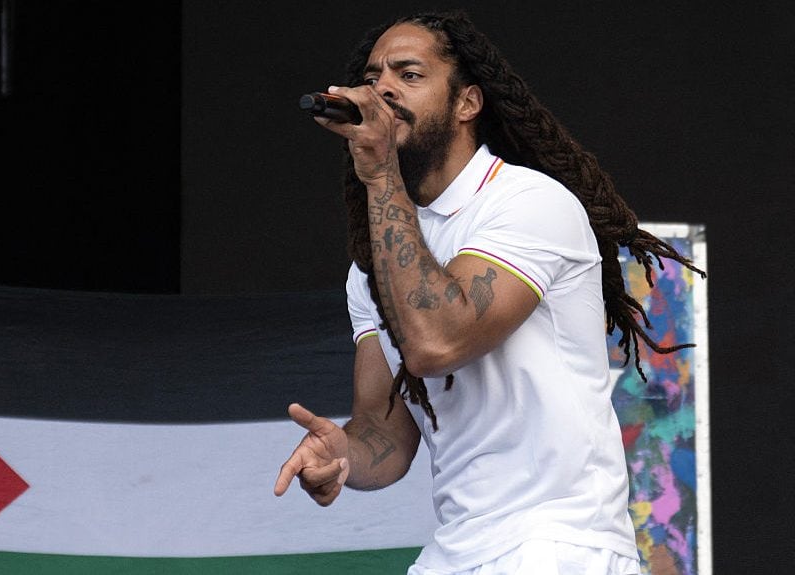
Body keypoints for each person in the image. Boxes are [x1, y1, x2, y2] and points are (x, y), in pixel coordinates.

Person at [273, 9, 705, 575]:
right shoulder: (373, 268)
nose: (382, 90)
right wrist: (343, 455)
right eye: (373, 77)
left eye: (409, 74)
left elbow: (437, 343)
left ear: (467, 103)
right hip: (458, 548)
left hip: (555, 542)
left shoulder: (527, 203)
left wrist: (380, 174)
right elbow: (386, 433)